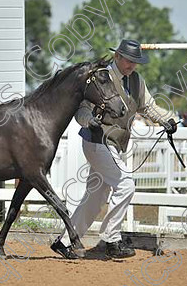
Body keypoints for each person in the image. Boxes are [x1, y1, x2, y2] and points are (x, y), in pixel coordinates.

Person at [51, 39, 177, 259]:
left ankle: (65, 242)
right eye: (128, 60)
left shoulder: (137, 81)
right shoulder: (101, 78)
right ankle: (111, 239)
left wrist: (169, 119)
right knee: (125, 185)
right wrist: (88, 120)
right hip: (96, 141)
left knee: (95, 197)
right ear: (117, 56)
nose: (131, 66)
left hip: (115, 145)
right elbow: (82, 110)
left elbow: (148, 107)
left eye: (135, 62)